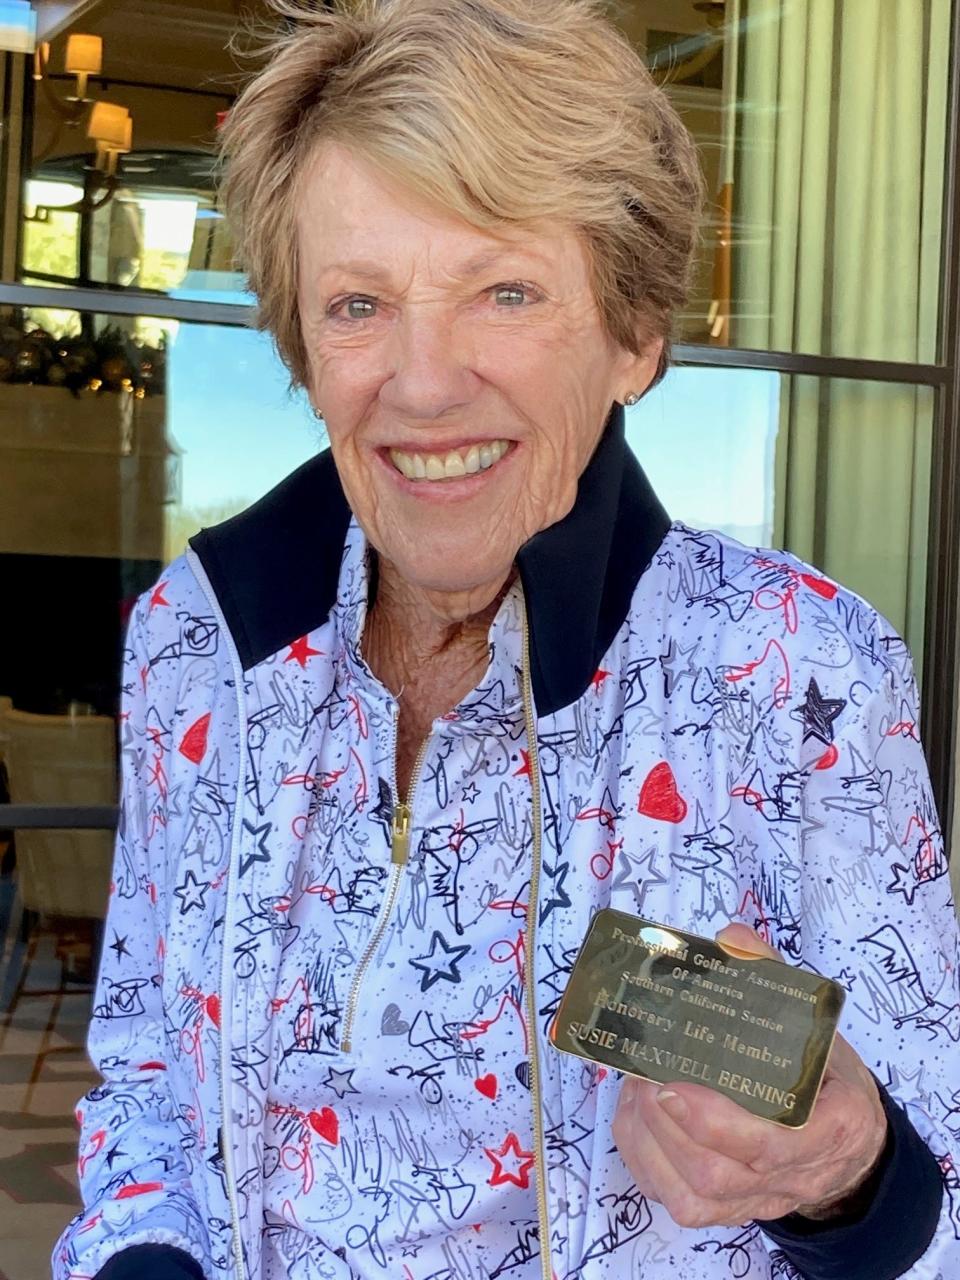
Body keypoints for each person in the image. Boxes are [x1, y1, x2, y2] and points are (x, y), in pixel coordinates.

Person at [55, 1, 959, 1277]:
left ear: (635, 334)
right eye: (359, 303)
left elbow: (946, 1206)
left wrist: (845, 1177)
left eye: (506, 290)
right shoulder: (198, 646)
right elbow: (145, 1072)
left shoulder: (797, 668)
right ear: (304, 350)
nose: (422, 384)